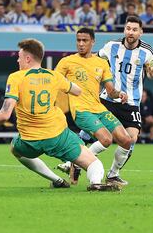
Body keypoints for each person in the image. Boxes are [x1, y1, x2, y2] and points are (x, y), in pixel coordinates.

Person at [0, 39, 119, 191]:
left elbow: (4, 114)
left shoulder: (16, 77)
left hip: (30, 140)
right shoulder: (54, 76)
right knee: (94, 163)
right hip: (58, 136)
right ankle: (95, 183)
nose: (17, 59)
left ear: (28, 58)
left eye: (19, 56)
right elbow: (77, 91)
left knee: (15, 148)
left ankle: (57, 180)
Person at [55, 28, 132, 184]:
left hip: (99, 109)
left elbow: (110, 91)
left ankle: (111, 175)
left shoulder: (101, 63)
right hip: (81, 110)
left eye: (85, 40)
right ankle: (77, 162)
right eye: (78, 40)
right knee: (106, 139)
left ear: (93, 42)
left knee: (126, 140)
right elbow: (53, 81)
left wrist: (120, 94)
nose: (81, 44)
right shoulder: (67, 61)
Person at [97, 15, 153, 186]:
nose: (130, 32)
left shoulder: (147, 52)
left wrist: (152, 74)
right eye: (128, 28)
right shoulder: (111, 46)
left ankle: (113, 174)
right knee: (90, 133)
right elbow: (96, 61)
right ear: (124, 30)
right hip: (108, 98)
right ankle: (73, 162)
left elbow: (150, 71)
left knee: (131, 139)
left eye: (134, 29)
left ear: (141, 32)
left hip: (132, 102)